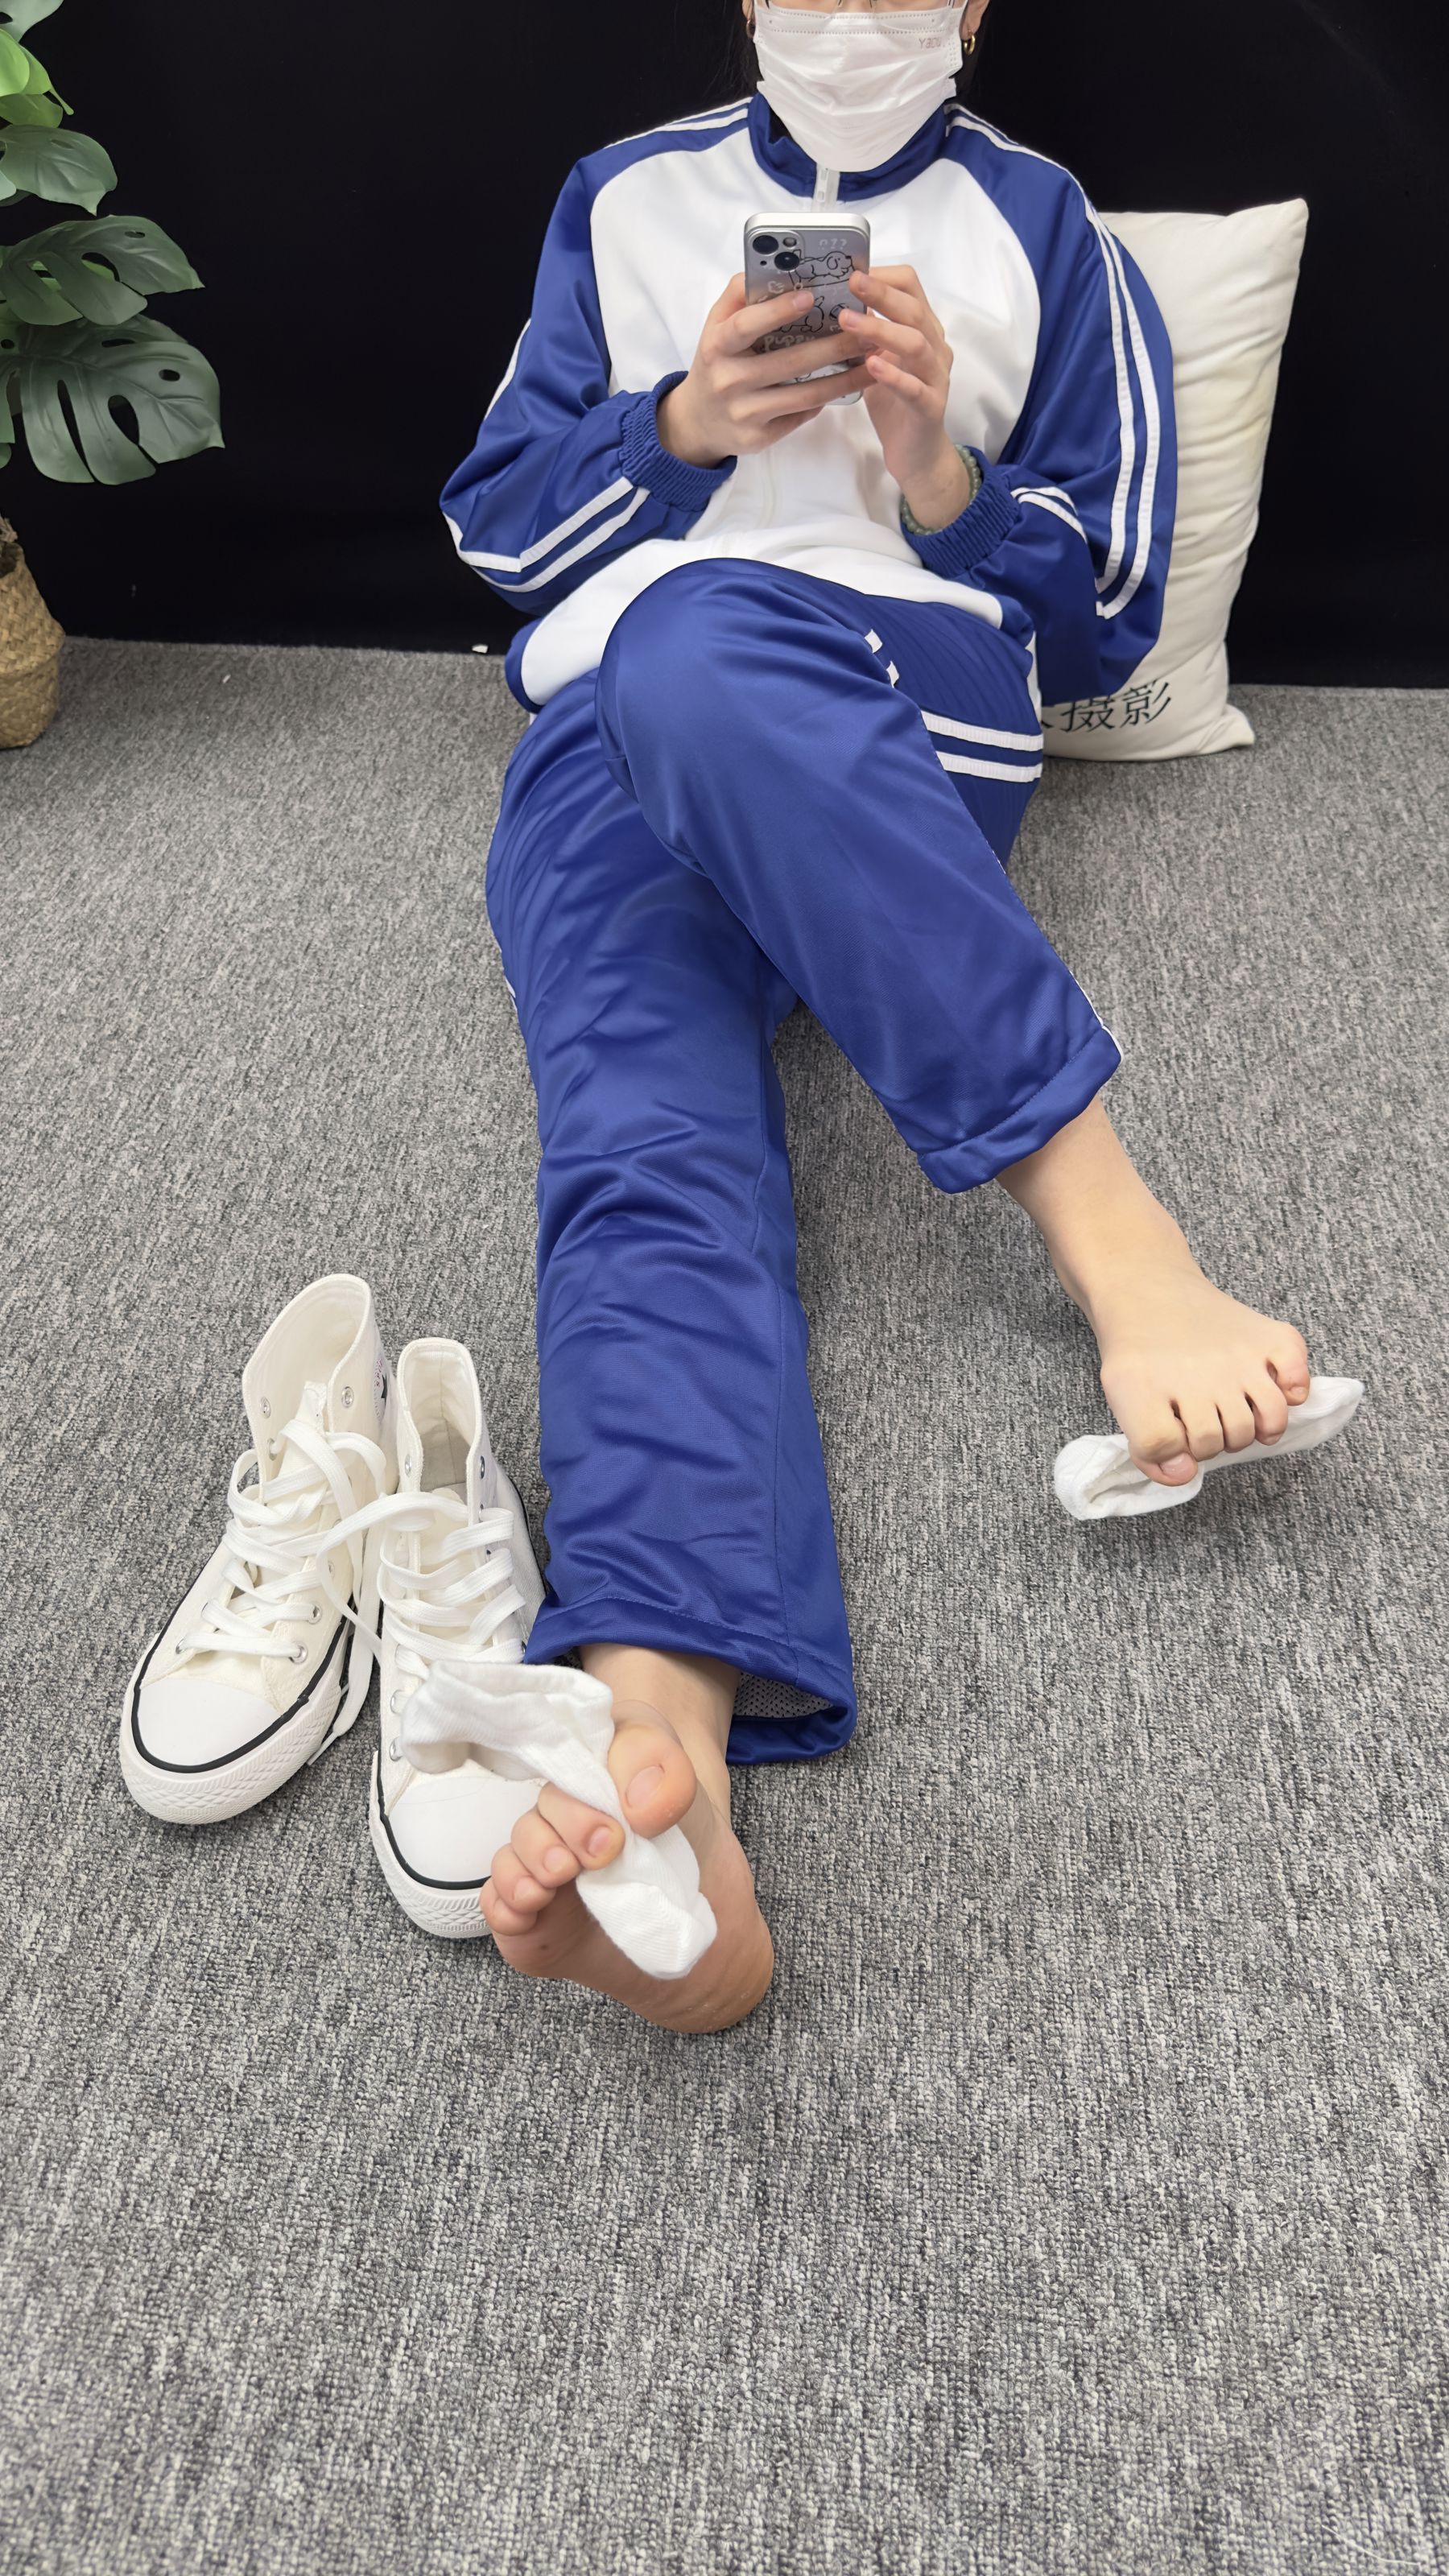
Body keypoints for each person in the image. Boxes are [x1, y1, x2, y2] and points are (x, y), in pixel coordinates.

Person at [438, 0, 1312, 2032]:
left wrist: (938, 471)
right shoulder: (622, 197)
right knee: (637, 1136)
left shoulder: (1044, 224)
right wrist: (676, 429)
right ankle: (665, 1779)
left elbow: (1106, 601)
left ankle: (1122, 1241)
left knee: (703, 646)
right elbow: (494, 525)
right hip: (607, 728)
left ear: (976, 3)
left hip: (904, 703)